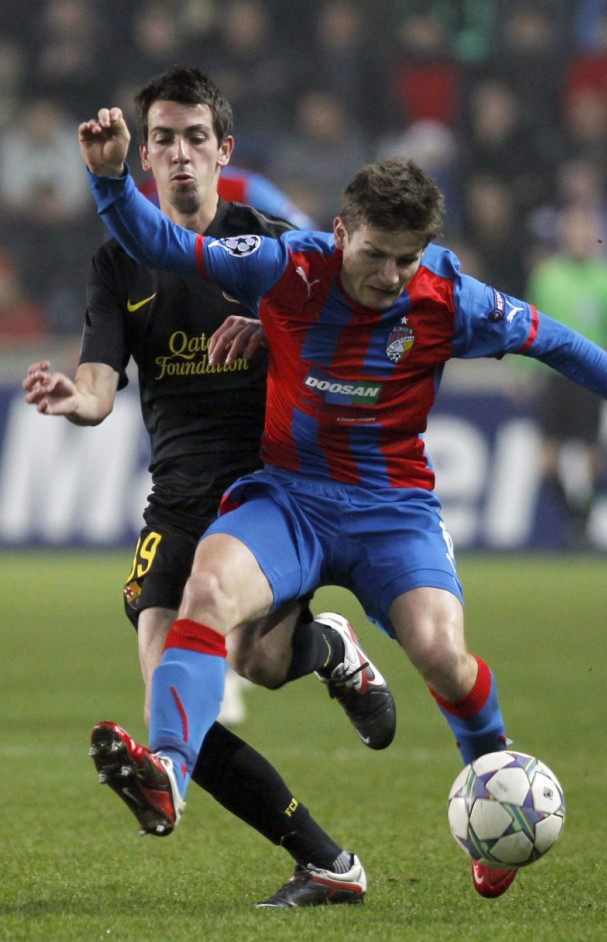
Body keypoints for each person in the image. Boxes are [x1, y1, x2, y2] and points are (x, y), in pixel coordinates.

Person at [77, 105, 607, 901]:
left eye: (406, 260)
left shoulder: (447, 297)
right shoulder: (290, 267)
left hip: (393, 511)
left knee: (441, 656)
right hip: (289, 498)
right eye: (376, 256)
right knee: (209, 591)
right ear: (341, 229)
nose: (389, 277)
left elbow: (556, 340)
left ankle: (492, 788)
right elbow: (164, 245)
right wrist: (112, 180)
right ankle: (170, 773)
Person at [24, 67, 398, 909]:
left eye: (197, 137)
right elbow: (97, 384)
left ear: (224, 151)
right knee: (176, 696)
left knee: (258, 663)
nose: (180, 154)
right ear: (146, 156)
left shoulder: (268, 245)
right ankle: (327, 862)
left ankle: (325, 651)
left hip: (270, 494)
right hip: (181, 499)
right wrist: (70, 399)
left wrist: (273, 326)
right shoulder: (120, 260)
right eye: (164, 139)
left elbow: (351, 324)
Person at [523, 202, 607, 547]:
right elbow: (529, 326)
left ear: (593, 234)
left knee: (594, 460)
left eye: (583, 228)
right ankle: (577, 520)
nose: (578, 236)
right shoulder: (547, 275)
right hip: (554, 377)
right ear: (563, 234)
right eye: (571, 228)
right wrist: (522, 370)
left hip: (591, 378)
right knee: (547, 462)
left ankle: (582, 525)